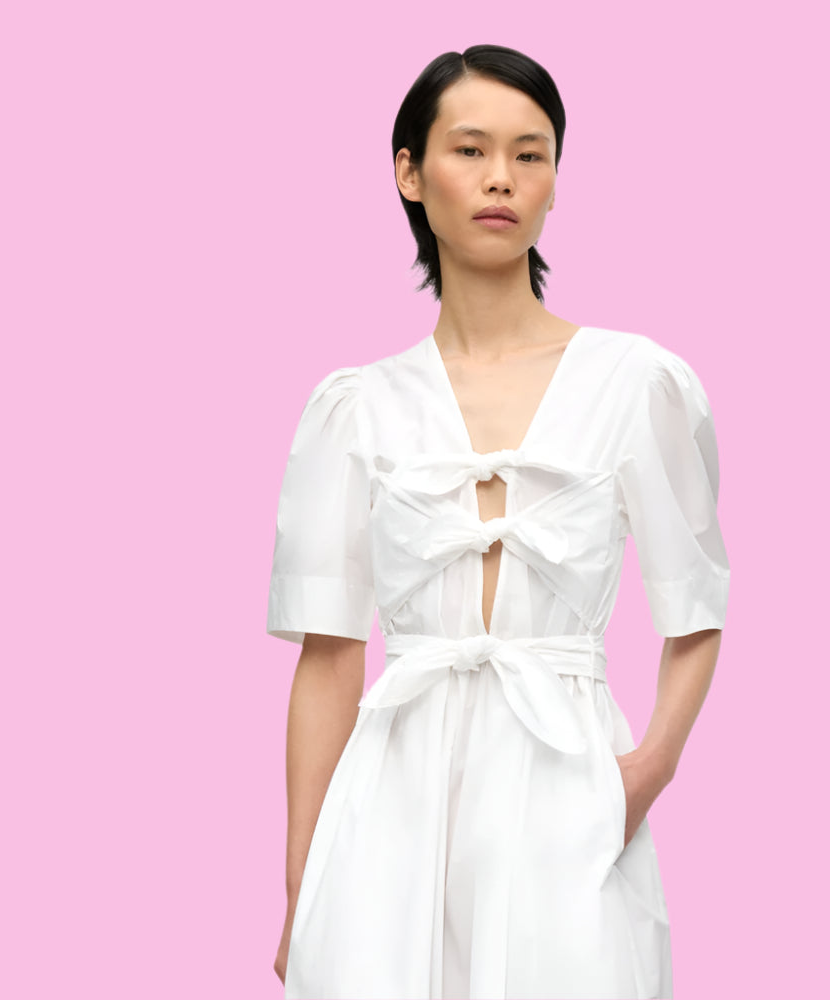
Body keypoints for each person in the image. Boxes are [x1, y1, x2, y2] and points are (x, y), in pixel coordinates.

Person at [267, 44, 730, 1000]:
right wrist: (302, 886)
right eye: (471, 149)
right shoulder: (355, 408)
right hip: (388, 807)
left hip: (570, 791)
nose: (501, 179)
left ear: (555, 180)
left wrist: (641, 776)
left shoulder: (635, 382)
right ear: (409, 171)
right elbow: (329, 655)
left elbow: (697, 612)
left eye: (530, 154)